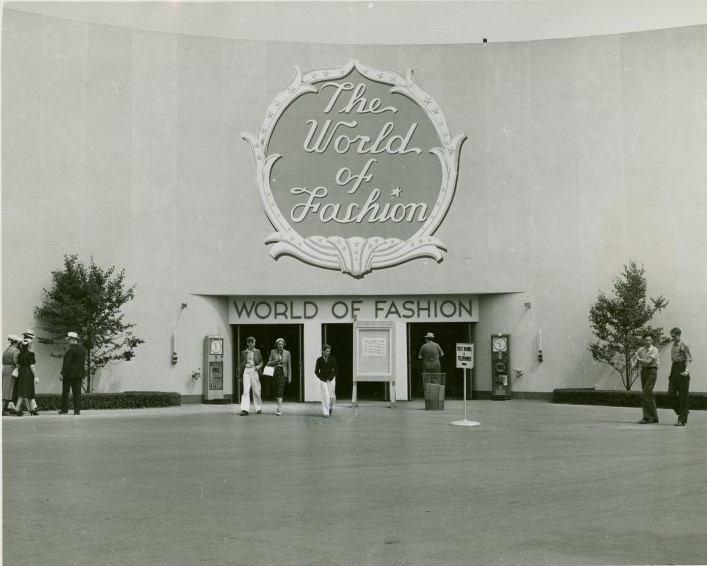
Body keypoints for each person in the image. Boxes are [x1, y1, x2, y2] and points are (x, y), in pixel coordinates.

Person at [667, 327, 693, 427]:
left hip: (682, 367)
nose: (672, 338)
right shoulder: (673, 345)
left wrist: (687, 371)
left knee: (683, 396)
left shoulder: (684, 344)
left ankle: (681, 420)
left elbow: (689, 359)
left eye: (674, 336)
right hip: (674, 368)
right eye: (671, 336)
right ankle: (684, 411)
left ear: (679, 335)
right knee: (670, 394)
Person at [632, 333, 660, 424]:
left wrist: (638, 358)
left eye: (650, 340)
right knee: (648, 395)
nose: (648, 342)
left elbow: (648, 361)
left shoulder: (654, 350)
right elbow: (636, 362)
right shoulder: (641, 350)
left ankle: (647, 417)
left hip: (652, 371)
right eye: (646, 340)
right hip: (644, 371)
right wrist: (634, 364)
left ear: (652, 341)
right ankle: (654, 417)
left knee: (645, 393)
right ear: (643, 341)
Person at [60, 331, 87, 415]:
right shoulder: (82, 350)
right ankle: (77, 410)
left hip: (69, 374)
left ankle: (64, 409)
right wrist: (83, 374)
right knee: (77, 393)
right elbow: (82, 363)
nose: (68, 341)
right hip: (78, 375)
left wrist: (62, 373)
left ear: (73, 339)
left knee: (65, 392)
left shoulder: (70, 350)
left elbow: (67, 363)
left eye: (69, 339)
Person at [238, 336, 263, 416]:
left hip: (254, 370)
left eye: (254, 342)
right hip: (246, 371)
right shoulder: (243, 352)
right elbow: (241, 364)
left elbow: (261, 362)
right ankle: (244, 409)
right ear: (249, 343)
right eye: (253, 342)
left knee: (256, 390)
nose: (254, 344)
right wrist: (240, 376)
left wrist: (258, 367)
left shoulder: (257, 351)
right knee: (245, 390)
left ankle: (258, 408)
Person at [266, 338, 291, 416]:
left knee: (280, 389)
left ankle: (279, 408)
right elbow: (269, 363)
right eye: (279, 344)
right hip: (274, 372)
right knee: (275, 390)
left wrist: (289, 377)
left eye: (282, 344)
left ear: (284, 344)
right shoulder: (273, 352)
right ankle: (279, 405)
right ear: (276, 345)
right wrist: (276, 360)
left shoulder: (287, 353)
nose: (280, 345)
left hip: (283, 373)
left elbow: (289, 365)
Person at [14, 339, 38, 416]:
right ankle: (17, 409)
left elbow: (18, 365)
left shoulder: (20, 354)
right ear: (28, 345)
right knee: (27, 391)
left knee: (24, 390)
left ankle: (32, 409)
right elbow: (32, 366)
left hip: (21, 373)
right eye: (30, 344)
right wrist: (36, 376)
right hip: (28, 373)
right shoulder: (30, 354)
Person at [315, 344, 338, 417]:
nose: (329, 352)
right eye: (327, 351)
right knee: (325, 395)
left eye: (329, 351)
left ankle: (331, 407)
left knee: (331, 395)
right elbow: (316, 371)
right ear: (323, 351)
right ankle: (326, 412)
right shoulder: (319, 360)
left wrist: (332, 377)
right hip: (323, 380)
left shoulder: (332, 359)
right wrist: (321, 378)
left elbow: (336, 370)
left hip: (331, 379)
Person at [2, 335, 21, 415]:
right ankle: (13, 408)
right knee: (12, 389)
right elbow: (16, 362)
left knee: (5, 389)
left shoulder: (6, 350)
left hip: (5, 369)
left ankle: (3, 408)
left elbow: (3, 361)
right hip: (12, 370)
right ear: (16, 343)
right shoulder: (16, 351)